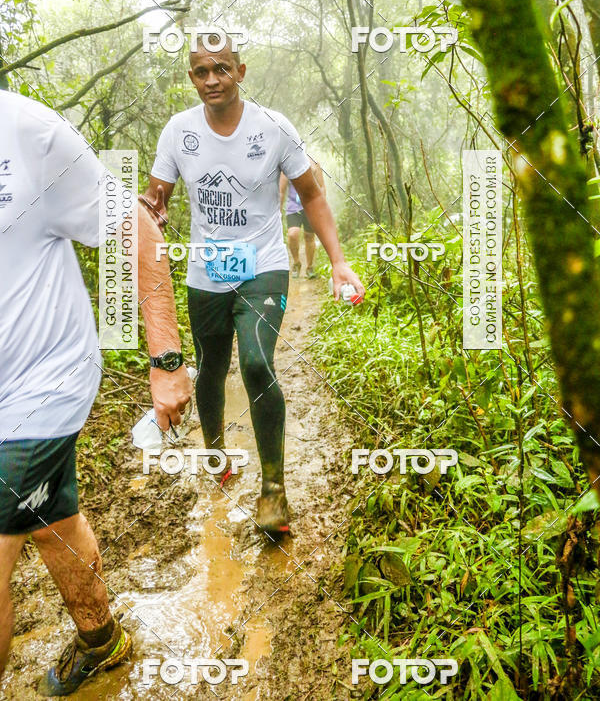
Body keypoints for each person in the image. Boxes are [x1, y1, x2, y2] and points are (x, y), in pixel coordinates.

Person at [0, 89, 193, 696]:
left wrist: (166, 361)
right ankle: (101, 639)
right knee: (50, 516)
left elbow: (134, 226)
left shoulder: (27, 132)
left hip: (41, 384)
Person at [142, 34, 365, 534]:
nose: (212, 80)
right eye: (202, 72)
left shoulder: (273, 127)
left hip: (263, 265)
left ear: (240, 72)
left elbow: (311, 194)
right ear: (192, 78)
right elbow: (156, 202)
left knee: (257, 361)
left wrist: (338, 262)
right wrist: (147, 214)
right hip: (206, 272)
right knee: (211, 368)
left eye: (222, 69)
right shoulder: (178, 132)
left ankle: (273, 492)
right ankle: (216, 455)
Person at [280, 161, 325, 278]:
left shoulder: (315, 164)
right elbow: (281, 190)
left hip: (311, 207)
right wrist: (278, 210)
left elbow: (321, 187)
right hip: (293, 208)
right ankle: (296, 263)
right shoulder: (287, 164)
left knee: (309, 236)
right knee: (292, 234)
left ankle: (310, 267)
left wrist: (321, 207)